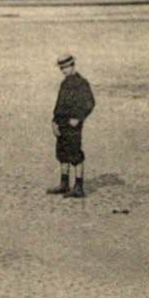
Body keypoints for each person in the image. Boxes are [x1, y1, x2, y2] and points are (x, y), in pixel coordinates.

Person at [47, 53, 97, 198]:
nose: (63, 70)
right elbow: (59, 104)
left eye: (65, 67)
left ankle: (79, 187)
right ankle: (64, 184)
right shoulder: (64, 83)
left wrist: (78, 118)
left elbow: (90, 103)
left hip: (73, 125)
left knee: (75, 154)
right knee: (62, 153)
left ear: (72, 66)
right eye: (61, 68)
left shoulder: (82, 83)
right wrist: (54, 121)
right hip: (61, 123)